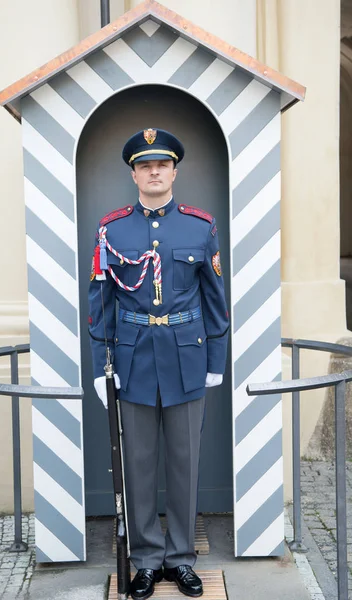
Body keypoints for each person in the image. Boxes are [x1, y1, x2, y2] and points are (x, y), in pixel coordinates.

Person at [88, 128, 229, 599]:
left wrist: (216, 358)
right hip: (132, 361)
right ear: (133, 173)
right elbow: (101, 300)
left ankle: (182, 558)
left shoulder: (200, 226)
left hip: (187, 358)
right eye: (145, 165)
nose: (154, 171)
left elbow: (216, 302)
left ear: (174, 171)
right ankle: (146, 559)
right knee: (139, 465)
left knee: (185, 464)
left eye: (162, 165)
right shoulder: (112, 230)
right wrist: (98, 362)